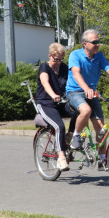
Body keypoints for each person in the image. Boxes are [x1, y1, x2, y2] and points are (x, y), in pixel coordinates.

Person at [65, 30, 109, 149]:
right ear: (85, 44)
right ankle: (76, 135)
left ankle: (102, 158)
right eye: (94, 42)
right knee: (86, 110)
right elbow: (76, 73)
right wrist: (86, 88)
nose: (98, 44)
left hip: (92, 93)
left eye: (98, 42)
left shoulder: (99, 56)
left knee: (101, 129)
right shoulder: (75, 55)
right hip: (75, 92)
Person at [35, 42, 79, 171]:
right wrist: (53, 94)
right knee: (59, 126)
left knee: (80, 112)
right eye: (56, 59)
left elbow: (72, 81)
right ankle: (61, 158)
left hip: (61, 102)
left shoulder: (64, 68)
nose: (59, 62)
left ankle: (69, 135)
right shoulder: (44, 67)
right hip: (46, 103)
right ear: (50, 56)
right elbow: (45, 82)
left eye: (61, 59)